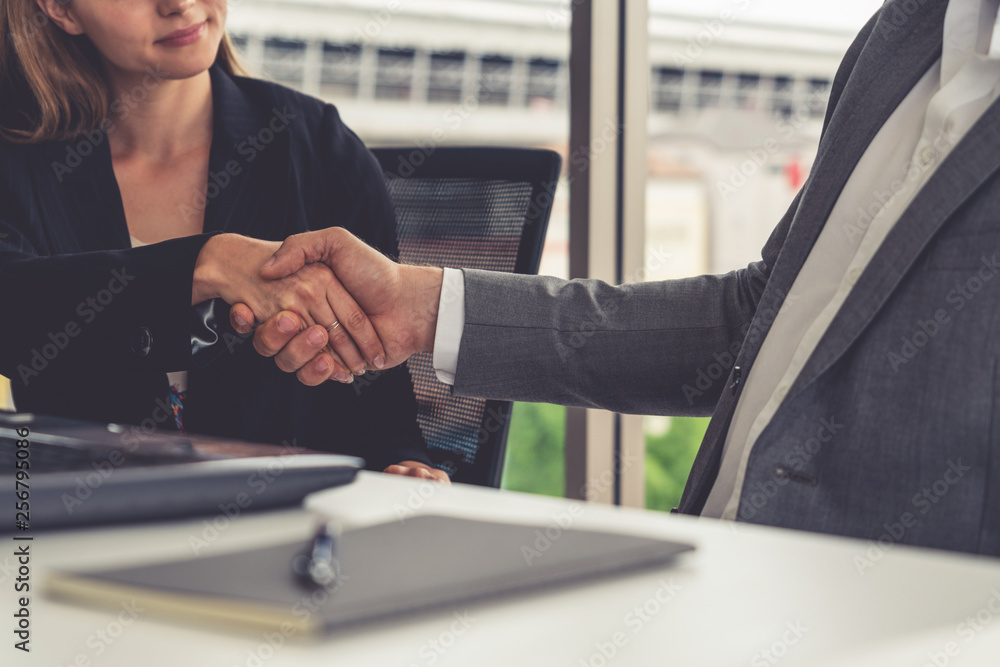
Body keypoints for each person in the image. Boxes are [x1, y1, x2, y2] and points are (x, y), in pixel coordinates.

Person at [234, 0, 1000, 556]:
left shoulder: (309, 145)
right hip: (713, 559)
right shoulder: (903, 33)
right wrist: (422, 306)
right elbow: (756, 318)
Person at [0, 0, 446, 481]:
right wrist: (205, 264)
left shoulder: (321, 149)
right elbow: (15, 309)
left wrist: (410, 466)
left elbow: (381, 404)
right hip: (82, 520)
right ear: (62, 10)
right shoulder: (19, 159)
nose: (179, 4)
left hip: (282, 522)